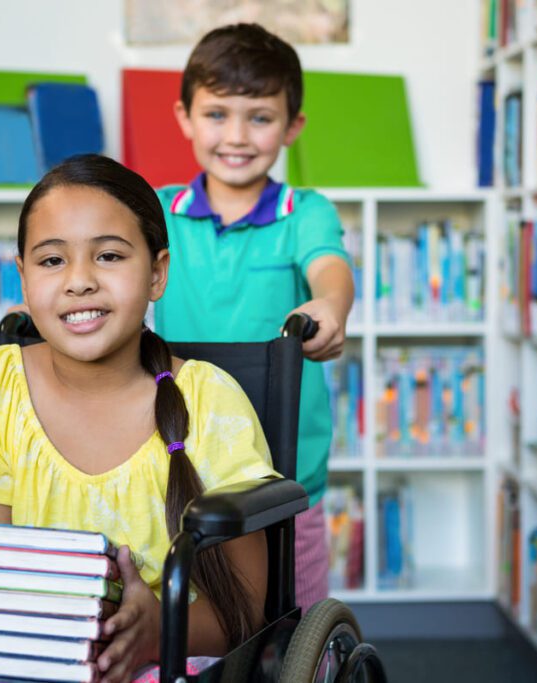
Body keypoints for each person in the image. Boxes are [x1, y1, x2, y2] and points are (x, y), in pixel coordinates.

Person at [0, 154, 277, 683]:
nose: (79, 282)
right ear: (23, 276)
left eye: (108, 255)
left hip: (166, 662)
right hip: (24, 660)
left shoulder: (211, 402)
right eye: (52, 261)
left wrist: (157, 629)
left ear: (156, 273)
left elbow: (241, 615)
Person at [157, 23, 355, 613]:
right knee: (183, 619)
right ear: (185, 117)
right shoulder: (158, 209)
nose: (237, 136)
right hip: (176, 460)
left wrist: (331, 307)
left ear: (292, 125)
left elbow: (331, 269)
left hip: (284, 471)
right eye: (216, 114)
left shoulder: (305, 212)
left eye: (260, 117)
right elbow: (105, 261)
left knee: (293, 623)